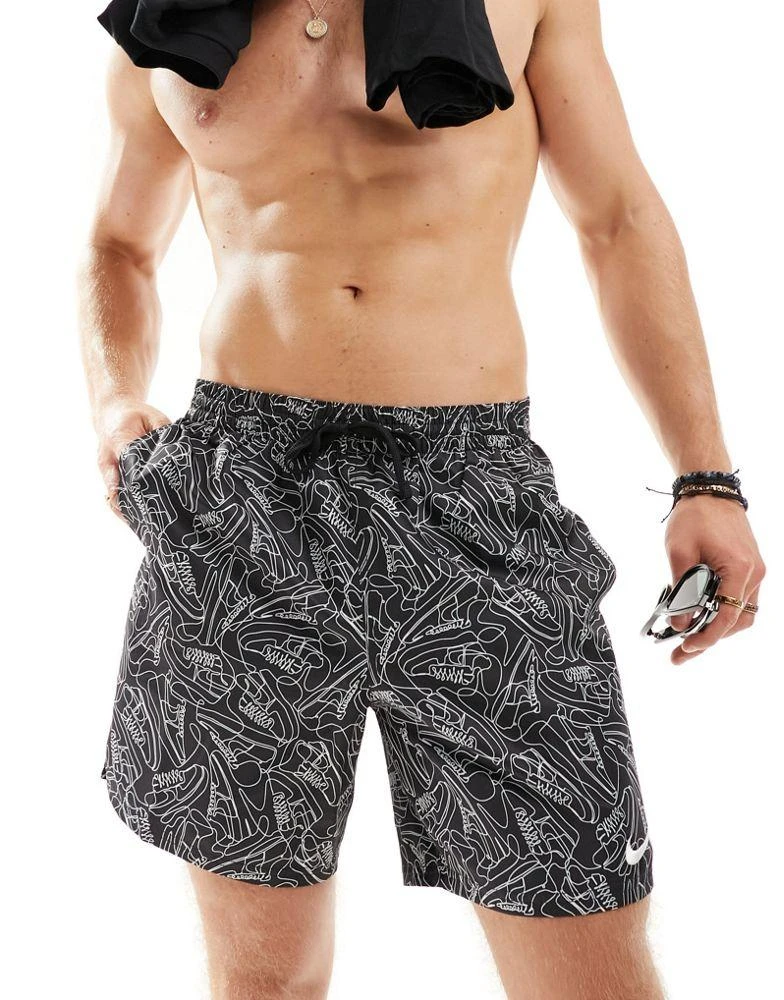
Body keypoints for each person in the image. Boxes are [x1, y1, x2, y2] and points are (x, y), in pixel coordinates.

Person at [79, 1, 765, 997]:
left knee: (590, 970)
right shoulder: (173, 8)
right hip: (239, 499)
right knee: (264, 980)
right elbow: (117, 243)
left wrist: (704, 475)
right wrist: (113, 404)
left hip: (471, 491)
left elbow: (616, 219)